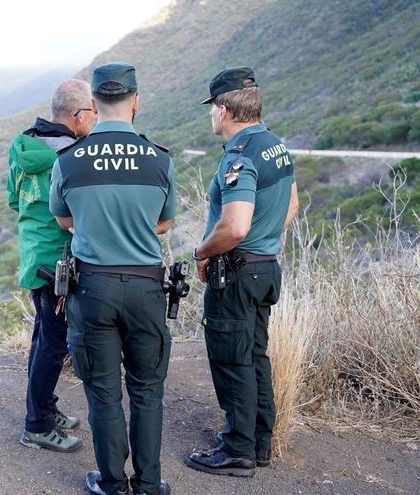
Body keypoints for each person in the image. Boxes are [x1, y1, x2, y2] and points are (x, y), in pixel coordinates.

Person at [49, 63, 175, 495]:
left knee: (103, 390)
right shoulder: (159, 158)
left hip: (93, 288)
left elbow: (64, 219)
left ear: (95, 105)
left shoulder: (68, 161)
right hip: (145, 287)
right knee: (147, 388)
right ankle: (150, 483)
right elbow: (165, 222)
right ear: (135, 102)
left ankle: (111, 483)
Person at [186, 67, 299, 477]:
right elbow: (291, 206)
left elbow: (234, 226)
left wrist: (203, 251)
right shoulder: (276, 146)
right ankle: (259, 443)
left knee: (232, 360)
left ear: (223, 109)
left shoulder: (240, 155)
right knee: (254, 356)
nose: (210, 116)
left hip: (236, 273)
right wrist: (264, 243)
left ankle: (237, 450)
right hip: (265, 268)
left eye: (211, 108)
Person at [7, 79, 96, 453]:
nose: (95, 117)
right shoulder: (71, 157)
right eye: (92, 111)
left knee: (42, 336)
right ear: (77, 116)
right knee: (53, 343)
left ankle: (43, 407)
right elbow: (77, 213)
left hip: (33, 255)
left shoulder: (23, 143)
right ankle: (37, 425)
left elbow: (15, 201)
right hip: (57, 263)